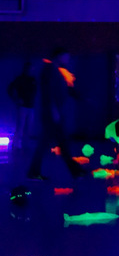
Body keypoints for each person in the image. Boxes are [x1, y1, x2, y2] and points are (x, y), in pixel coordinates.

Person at [27, 49, 84, 180]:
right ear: (59, 56)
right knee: (51, 143)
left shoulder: (55, 69)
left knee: (57, 143)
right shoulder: (50, 70)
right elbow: (48, 92)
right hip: (52, 114)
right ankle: (74, 171)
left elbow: (61, 90)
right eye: (66, 56)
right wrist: (53, 110)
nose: (68, 58)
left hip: (54, 113)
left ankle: (74, 170)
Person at [7, 60, 37, 150]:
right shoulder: (20, 79)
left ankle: (25, 144)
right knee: (20, 126)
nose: (30, 70)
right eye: (28, 68)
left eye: (31, 68)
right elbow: (10, 89)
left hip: (31, 106)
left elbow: (34, 91)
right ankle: (16, 144)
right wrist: (16, 99)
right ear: (25, 69)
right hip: (23, 106)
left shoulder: (33, 80)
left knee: (29, 126)